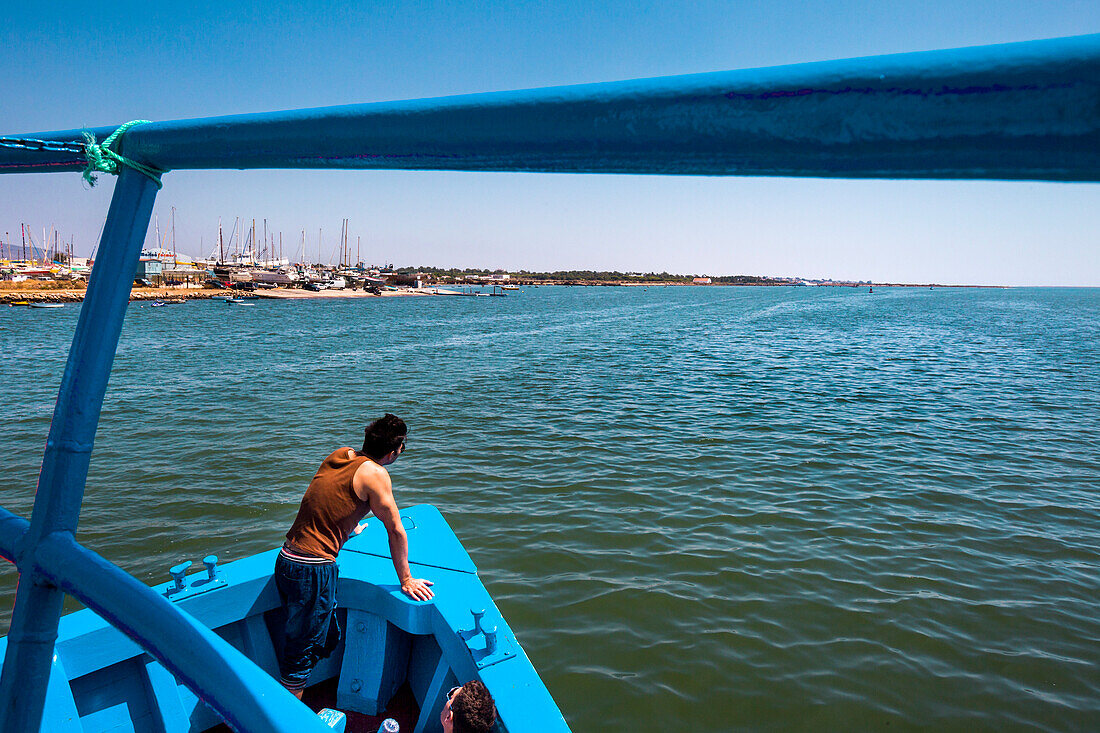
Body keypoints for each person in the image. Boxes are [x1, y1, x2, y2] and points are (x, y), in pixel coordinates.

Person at [275, 414, 434, 697]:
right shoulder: (376, 475)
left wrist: (346, 528)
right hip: (312, 570)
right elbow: (396, 530)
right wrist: (406, 579)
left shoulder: (341, 454)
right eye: (402, 448)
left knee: (304, 639)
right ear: (393, 451)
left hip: (287, 558)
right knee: (299, 658)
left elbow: (326, 499)